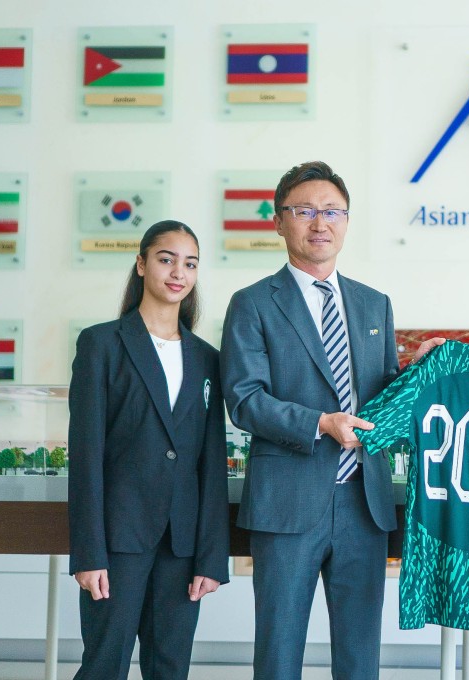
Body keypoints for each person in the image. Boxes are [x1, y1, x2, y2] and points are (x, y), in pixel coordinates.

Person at [220, 161, 441, 680]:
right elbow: (244, 399)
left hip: (364, 504)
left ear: (346, 221)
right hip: (288, 502)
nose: (320, 223)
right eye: (305, 211)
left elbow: (378, 400)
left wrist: (415, 374)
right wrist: (320, 422)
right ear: (279, 222)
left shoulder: (374, 305)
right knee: (278, 654)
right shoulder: (252, 304)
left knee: (360, 658)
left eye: (332, 212)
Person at [68, 220, 230, 680]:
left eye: (190, 263)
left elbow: (211, 463)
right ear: (141, 264)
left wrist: (211, 558)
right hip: (118, 540)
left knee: (171, 669)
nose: (178, 272)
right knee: (104, 665)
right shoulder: (101, 344)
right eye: (166, 259)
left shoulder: (207, 358)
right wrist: (89, 552)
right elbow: (85, 456)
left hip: (182, 545)